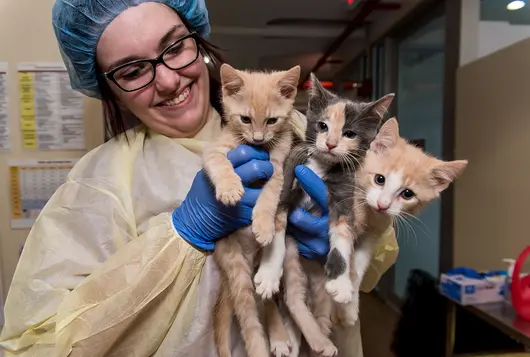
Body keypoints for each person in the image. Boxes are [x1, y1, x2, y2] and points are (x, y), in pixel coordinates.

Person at [0, 1, 399, 356]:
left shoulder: (300, 131)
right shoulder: (98, 182)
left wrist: (345, 238)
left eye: (175, 47)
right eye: (133, 69)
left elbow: (376, 256)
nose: (169, 80)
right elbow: (37, 342)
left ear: (199, 40)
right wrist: (179, 238)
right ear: (109, 89)